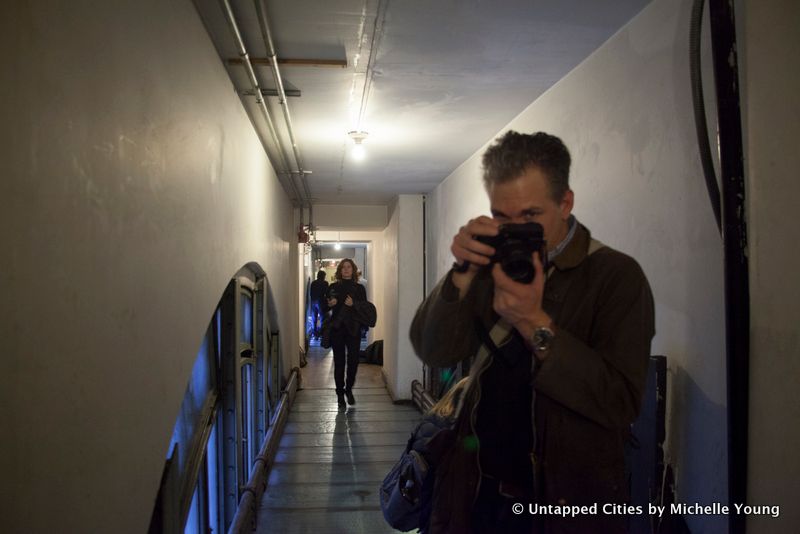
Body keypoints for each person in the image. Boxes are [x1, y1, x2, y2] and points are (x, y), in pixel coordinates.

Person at [409, 131, 655, 533]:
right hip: (476, 493)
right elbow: (432, 349)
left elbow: (620, 402)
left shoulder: (615, 276)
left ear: (565, 203)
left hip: (563, 507)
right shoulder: (491, 266)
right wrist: (461, 273)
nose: (515, 230)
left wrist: (532, 321)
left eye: (530, 216)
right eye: (502, 217)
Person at [326, 258, 373, 408]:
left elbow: (365, 307)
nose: (346, 269)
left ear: (353, 270)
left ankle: (349, 389)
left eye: (349, 267)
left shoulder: (359, 289)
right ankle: (340, 394)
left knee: (353, 361)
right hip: (338, 329)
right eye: (343, 267)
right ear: (340, 270)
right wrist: (330, 304)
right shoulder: (333, 287)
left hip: (354, 329)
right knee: (339, 362)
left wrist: (354, 304)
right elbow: (325, 306)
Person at [309, 269, 329, 338]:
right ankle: (321, 332)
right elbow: (327, 293)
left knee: (314, 317)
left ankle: (314, 333)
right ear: (323, 276)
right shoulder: (325, 283)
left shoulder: (313, 283)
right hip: (321, 301)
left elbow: (311, 293)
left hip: (313, 301)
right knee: (322, 317)